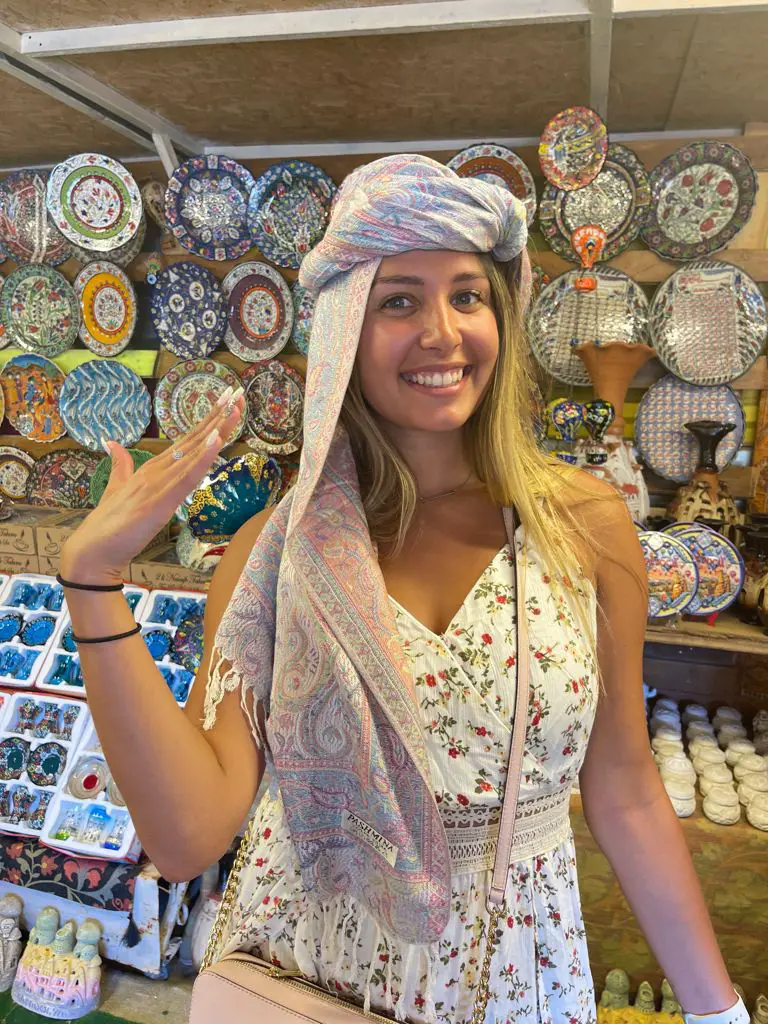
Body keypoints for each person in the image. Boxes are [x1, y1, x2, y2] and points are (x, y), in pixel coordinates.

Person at [59, 155, 747, 1024]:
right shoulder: (278, 554)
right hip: (308, 969)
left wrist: (718, 1012)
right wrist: (94, 583)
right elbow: (189, 833)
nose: (441, 332)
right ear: (344, 326)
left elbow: (626, 788)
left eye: (466, 295)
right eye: (398, 300)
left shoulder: (585, 527)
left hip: (511, 968)